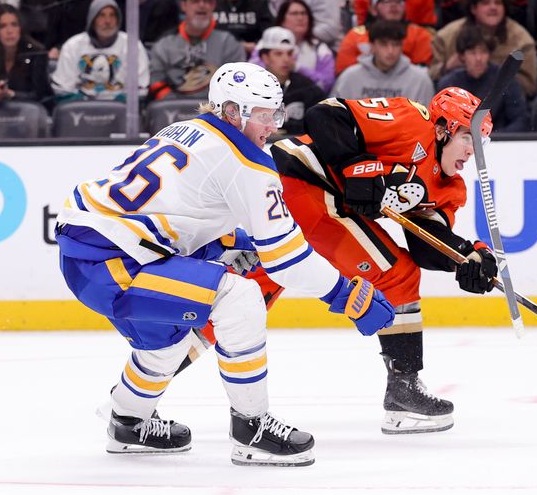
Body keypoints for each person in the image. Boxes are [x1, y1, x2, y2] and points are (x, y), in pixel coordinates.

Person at [55, 61, 395, 464]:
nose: (273, 126)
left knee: (168, 337)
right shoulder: (246, 162)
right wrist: (345, 293)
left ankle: (128, 422)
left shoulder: (184, 129)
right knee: (240, 297)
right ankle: (251, 427)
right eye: (264, 115)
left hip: (91, 248)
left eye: (277, 113)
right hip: (114, 261)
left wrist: (231, 242)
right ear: (232, 112)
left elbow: (179, 210)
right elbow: (287, 260)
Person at [267, 87, 499, 434]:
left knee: (238, 300)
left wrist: (468, 257)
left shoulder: (449, 188)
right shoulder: (409, 120)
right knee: (397, 276)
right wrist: (353, 167)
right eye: (468, 136)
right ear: (441, 129)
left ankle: (152, 388)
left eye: (481, 141)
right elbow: (324, 114)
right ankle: (404, 389)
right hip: (299, 182)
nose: (473, 150)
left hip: (301, 201)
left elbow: (427, 245)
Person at [431, 0, 537, 98]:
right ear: (473, 8)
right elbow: (430, 77)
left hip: (503, 105)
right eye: (486, 3)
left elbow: (530, 87)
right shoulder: (446, 36)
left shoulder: (522, 40)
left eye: (498, 3)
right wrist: (446, 68)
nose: (493, 7)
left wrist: (493, 72)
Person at [149, 0, 245, 100]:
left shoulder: (229, 42)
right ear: (183, 5)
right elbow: (156, 80)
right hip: (173, 108)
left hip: (215, 110)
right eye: (195, 0)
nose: (202, 5)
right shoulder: (165, 43)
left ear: (213, 5)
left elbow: (238, 81)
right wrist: (174, 104)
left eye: (206, 1)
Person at [51, 0, 149, 102]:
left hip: (121, 110)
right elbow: (62, 90)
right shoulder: (73, 46)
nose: (107, 21)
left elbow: (140, 88)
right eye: (102, 15)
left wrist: (118, 102)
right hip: (82, 109)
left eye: (112, 15)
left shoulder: (132, 45)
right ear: (92, 19)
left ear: (118, 19)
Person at [436, 24, 528, 132]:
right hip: (461, 143)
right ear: (462, 56)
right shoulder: (449, 84)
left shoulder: (505, 79)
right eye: (472, 53)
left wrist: (492, 139)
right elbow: (440, 124)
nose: (478, 58)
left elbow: (520, 120)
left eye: (483, 52)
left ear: (489, 54)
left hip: (500, 142)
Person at [336, 0, 432, 76]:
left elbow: (423, 72)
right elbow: (343, 73)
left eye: (398, 1)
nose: (393, 5)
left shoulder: (419, 34)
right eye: (386, 1)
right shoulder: (356, 35)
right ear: (373, 9)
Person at [330, 19, 434, 104]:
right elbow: (334, 119)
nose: (390, 51)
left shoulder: (420, 80)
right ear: (372, 46)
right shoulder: (349, 78)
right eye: (383, 44)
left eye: (396, 44)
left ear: (402, 46)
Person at [255, 26, 326, 135]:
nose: (286, 59)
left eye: (289, 53)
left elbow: (320, 125)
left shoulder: (308, 88)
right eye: (278, 54)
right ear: (265, 57)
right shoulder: (253, 86)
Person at [21, 0, 101, 59]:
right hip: (40, 57)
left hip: (79, 56)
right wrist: (43, 51)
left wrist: (62, 49)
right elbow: (27, 34)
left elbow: (92, 32)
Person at [0, 3, 52, 105]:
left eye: (14, 24)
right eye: (3, 26)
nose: (10, 31)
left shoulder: (36, 54)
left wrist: (11, 94)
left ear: (21, 28)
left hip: (29, 116)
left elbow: (44, 96)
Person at [272, 0, 335, 93]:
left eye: (303, 13)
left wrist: (298, 68)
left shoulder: (321, 49)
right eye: (294, 13)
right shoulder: (266, 44)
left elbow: (326, 84)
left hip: (310, 101)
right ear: (282, 20)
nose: (300, 18)